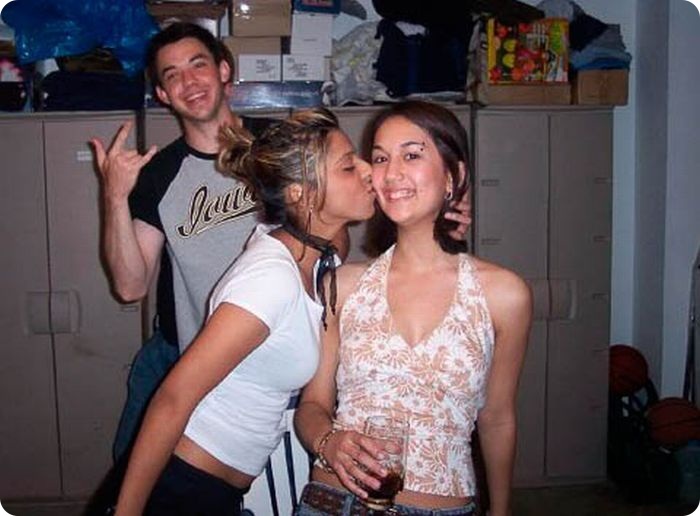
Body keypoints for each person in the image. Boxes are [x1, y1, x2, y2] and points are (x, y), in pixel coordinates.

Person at [91, 22, 473, 464]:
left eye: (198, 65)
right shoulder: (158, 176)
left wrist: (435, 214)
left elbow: (335, 233)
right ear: (161, 93)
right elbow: (130, 286)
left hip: (284, 360)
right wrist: (114, 197)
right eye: (172, 74)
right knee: (136, 471)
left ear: (224, 70)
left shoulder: (281, 147)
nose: (189, 82)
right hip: (193, 358)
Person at [113, 107, 377, 515]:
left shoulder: (313, 254)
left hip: (212, 487)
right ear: (301, 194)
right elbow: (173, 398)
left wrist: (438, 217)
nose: (367, 169)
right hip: (181, 484)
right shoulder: (270, 280)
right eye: (348, 166)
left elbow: (341, 243)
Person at [293, 100, 532, 516]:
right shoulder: (343, 285)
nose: (391, 173)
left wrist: (501, 510)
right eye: (380, 158)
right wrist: (329, 442)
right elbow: (312, 406)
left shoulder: (503, 295)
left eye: (412, 155)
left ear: (453, 176)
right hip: (335, 503)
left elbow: (497, 418)